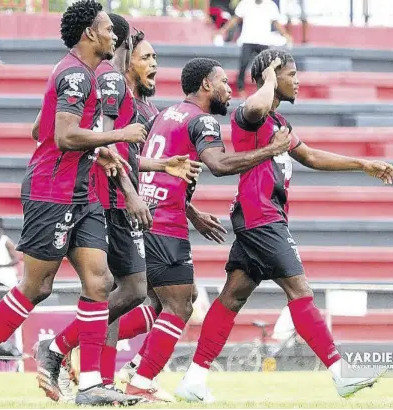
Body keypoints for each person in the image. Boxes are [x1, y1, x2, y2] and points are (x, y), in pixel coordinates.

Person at [0, 1, 150, 406]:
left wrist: (101, 149)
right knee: (36, 286)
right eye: (108, 29)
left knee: (99, 282)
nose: (115, 35)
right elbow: (62, 137)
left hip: (83, 192)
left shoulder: (87, 76)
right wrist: (118, 136)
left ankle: (91, 385)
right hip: (51, 192)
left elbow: (40, 126)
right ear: (89, 34)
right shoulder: (75, 74)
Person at [174, 49, 393, 403]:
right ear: (274, 78)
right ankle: (340, 373)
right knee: (300, 290)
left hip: (258, 217)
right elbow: (257, 107)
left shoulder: (278, 124)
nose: (298, 81)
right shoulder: (250, 113)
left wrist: (362, 163)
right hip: (262, 217)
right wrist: (267, 78)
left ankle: (194, 378)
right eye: (291, 74)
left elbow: (309, 156)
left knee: (232, 297)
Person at [42, 19, 205, 402]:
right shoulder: (111, 84)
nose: (154, 64)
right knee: (126, 292)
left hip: (125, 200)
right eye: (146, 54)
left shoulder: (140, 103)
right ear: (128, 54)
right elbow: (107, 150)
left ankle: (100, 371)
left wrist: (166, 172)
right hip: (110, 200)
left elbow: (126, 154)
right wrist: (131, 193)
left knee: (139, 294)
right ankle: (93, 371)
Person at [122, 57, 291, 402]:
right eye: (224, 83)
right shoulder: (202, 121)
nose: (230, 90)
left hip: (150, 215)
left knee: (159, 301)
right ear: (206, 86)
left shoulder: (164, 115)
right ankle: (138, 378)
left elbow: (155, 169)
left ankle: (122, 360)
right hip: (164, 224)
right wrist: (270, 150)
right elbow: (218, 164)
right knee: (180, 306)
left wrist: (192, 212)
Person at [216, 0, 292, 98]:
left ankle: (267, 89)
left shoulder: (270, 5)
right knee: (243, 64)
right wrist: (223, 30)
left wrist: (285, 34)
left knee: (266, 67)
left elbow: (276, 23)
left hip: (263, 41)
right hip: (248, 40)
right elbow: (235, 19)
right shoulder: (245, 3)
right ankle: (240, 88)